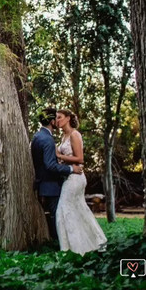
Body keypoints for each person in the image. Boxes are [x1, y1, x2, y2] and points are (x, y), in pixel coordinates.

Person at [54, 109, 108, 255]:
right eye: (56, 118)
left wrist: (59, 155)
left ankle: (71, 249)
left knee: (62, 211)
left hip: (76, 178)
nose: (57, 120)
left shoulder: (74, 134)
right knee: (79, 209)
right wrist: (60, 159)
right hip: (69, 175)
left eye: (60, 117)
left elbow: (80, 159)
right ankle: (94, 243)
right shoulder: (63, 137)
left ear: (68, 118)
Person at [30, 107, 82, 241]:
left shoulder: (37, 136)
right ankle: (60, 242)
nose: (58, 121)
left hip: (44, 183)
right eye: (56, 118)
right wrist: (71, 169)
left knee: (57, 213)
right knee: (57, 214)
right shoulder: (47, 139)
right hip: (51, 185)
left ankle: (64, 241)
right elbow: (49, 165)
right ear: (52, 122)